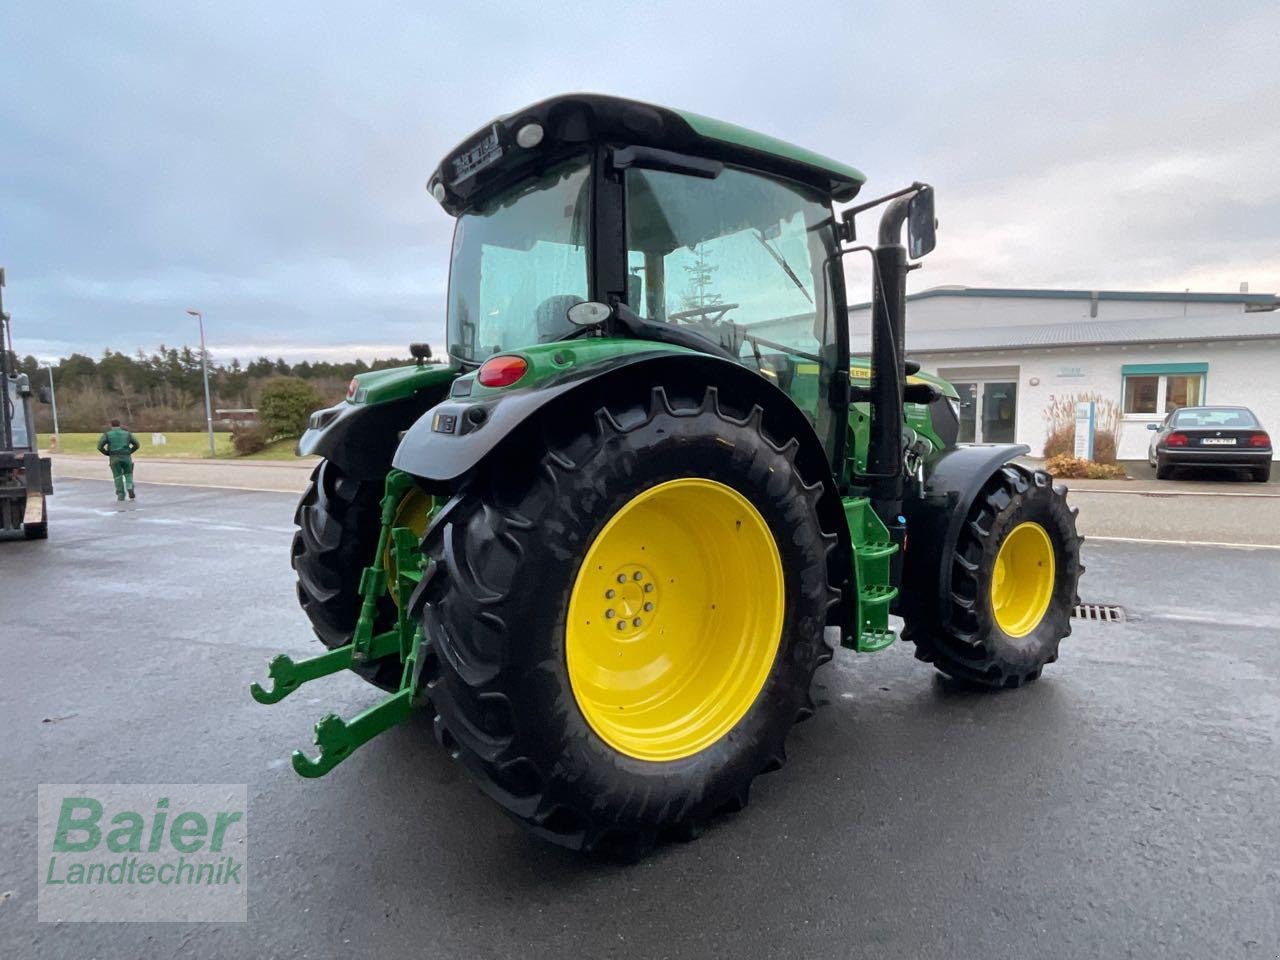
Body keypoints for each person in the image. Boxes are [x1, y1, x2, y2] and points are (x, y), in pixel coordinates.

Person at [96, 418, 140, 501]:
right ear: (120, 425)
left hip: (114, 457)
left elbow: (99, 446)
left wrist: (107, 453)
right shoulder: (127, 434)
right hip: (126, 457)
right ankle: (129, 486)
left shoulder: (107, 434)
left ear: (111, 425)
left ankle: (120, 494)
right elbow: (137, 444)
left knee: (117, 476)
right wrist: (130, 451)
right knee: (128, 474)